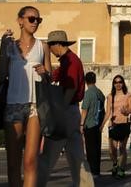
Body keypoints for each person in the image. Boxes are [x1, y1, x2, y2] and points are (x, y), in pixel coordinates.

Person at [0, 6, 51, 187]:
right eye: (31, 19)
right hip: (13, 104)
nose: (35, 22)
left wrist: (45, 73)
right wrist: (3, 49)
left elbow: (49, 77)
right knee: (13, 163)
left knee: (30, 161)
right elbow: (1, 74)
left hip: (35, 105)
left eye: (38, 20)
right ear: (20, 20)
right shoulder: (10, 46)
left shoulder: (43, 46)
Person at [36, 30, 93, 187]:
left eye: (50, 46)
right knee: (77, 158)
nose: (50, 50)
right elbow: (54, 77)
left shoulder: (70, 61)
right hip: (71, 111)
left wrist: (59, 110)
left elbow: (71, 88)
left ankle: (35, 184)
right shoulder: (68, 60)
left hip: (65, 111)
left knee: (48, 155)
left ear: (57, 45)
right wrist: (45, 73)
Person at [100, 74, 131, 179]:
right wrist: (102, 125)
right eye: (116, 82)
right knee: (112, 150)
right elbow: (108, 112)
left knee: (122, 148)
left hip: (124, 124)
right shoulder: (110, 96)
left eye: (120, 82)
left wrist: (126, 111)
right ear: (113, 84)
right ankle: (115, 164)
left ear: (123, 83)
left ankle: (121, 169)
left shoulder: (128, 95)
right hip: (113, 124)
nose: (118, 84)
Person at [80, 72, 105, 177]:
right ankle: (97, 170)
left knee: (90, 149)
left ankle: (92, 170)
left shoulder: (88, 93)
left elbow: (85, 110)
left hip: (89, 124)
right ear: (95, 80)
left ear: (86, 81)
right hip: (98, 124)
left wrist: (81, 124)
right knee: (97, 148)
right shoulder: (99, 92)